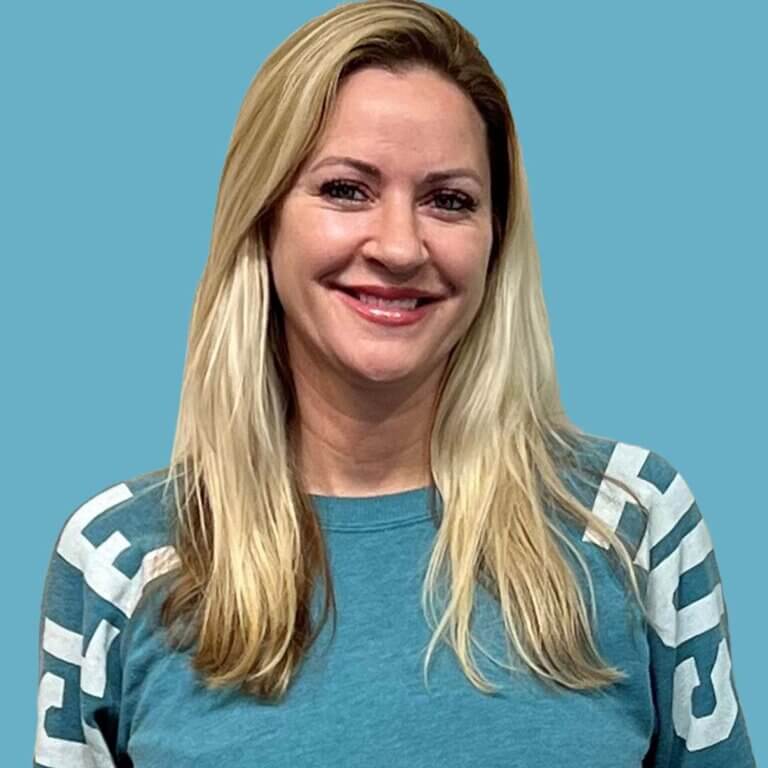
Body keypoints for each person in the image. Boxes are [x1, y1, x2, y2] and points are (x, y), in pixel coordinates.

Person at [33, 1, 757, 766]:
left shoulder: (629, 521)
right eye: (347, 189)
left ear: (495, 241)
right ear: (263, 216)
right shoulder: (121, 558)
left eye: (450, 201)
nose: (401, 247)